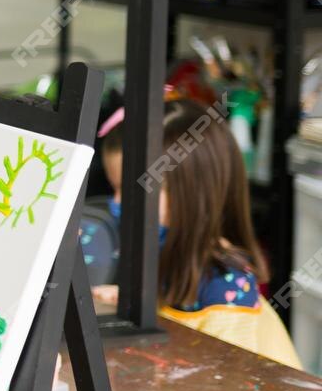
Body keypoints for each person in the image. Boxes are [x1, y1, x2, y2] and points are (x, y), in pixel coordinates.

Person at [87, 100, 299, 365]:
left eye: (134, 191)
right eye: (114, 188)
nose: (117, 203)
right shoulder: (162, 247)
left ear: (193, 194)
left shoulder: (226, 286)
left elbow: (226, 381)